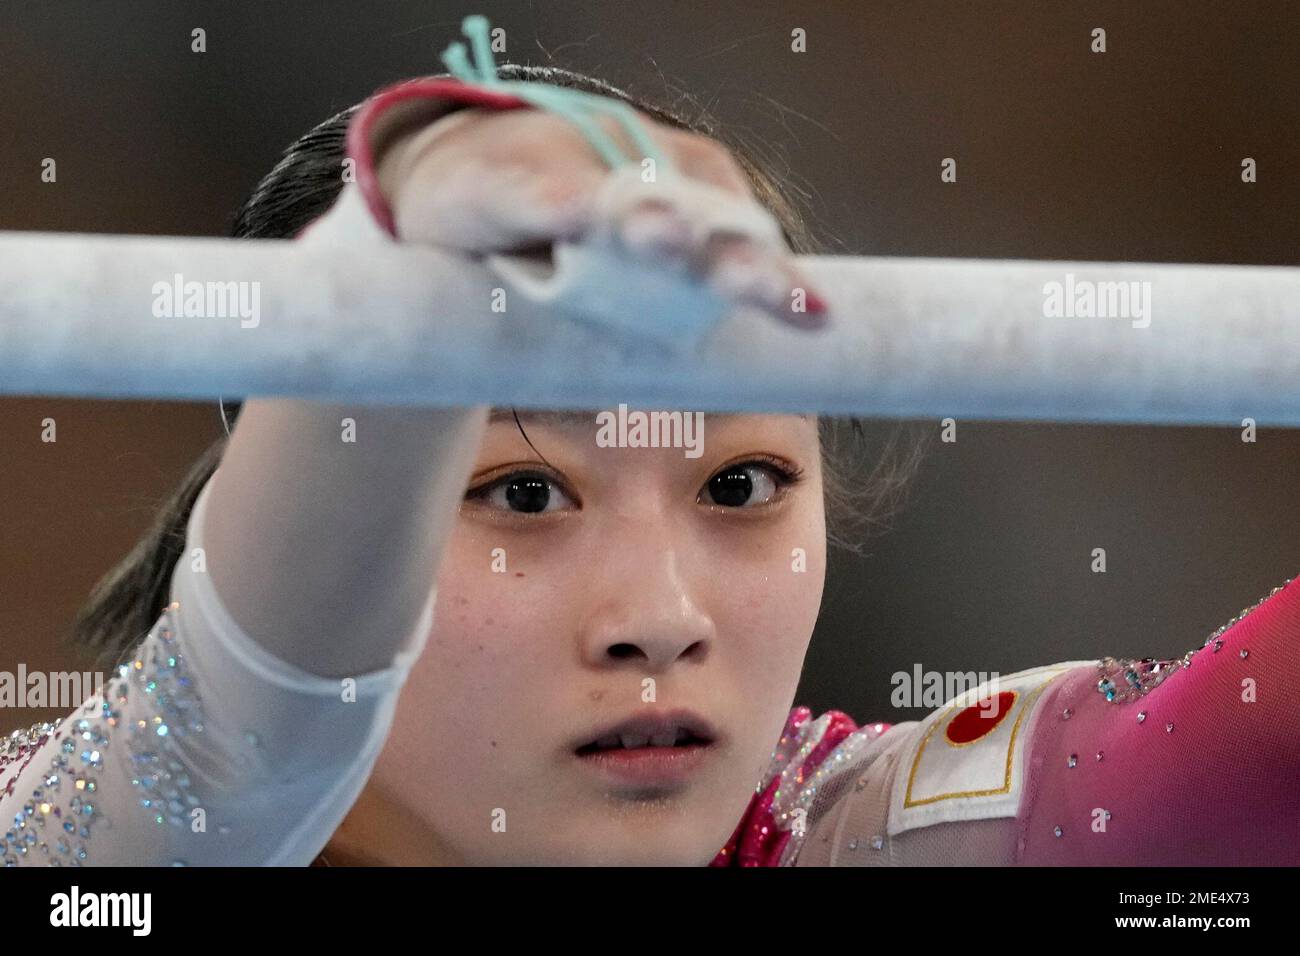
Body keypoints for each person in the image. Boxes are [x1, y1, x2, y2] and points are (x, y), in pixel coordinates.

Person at [3, 17, 1297, 867]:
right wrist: (403, 239)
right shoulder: (97, 850)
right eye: (521, 492)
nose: (658, 618)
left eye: (740, 483)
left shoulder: (839, 834)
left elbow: (1231, 750)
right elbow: (260, 717)